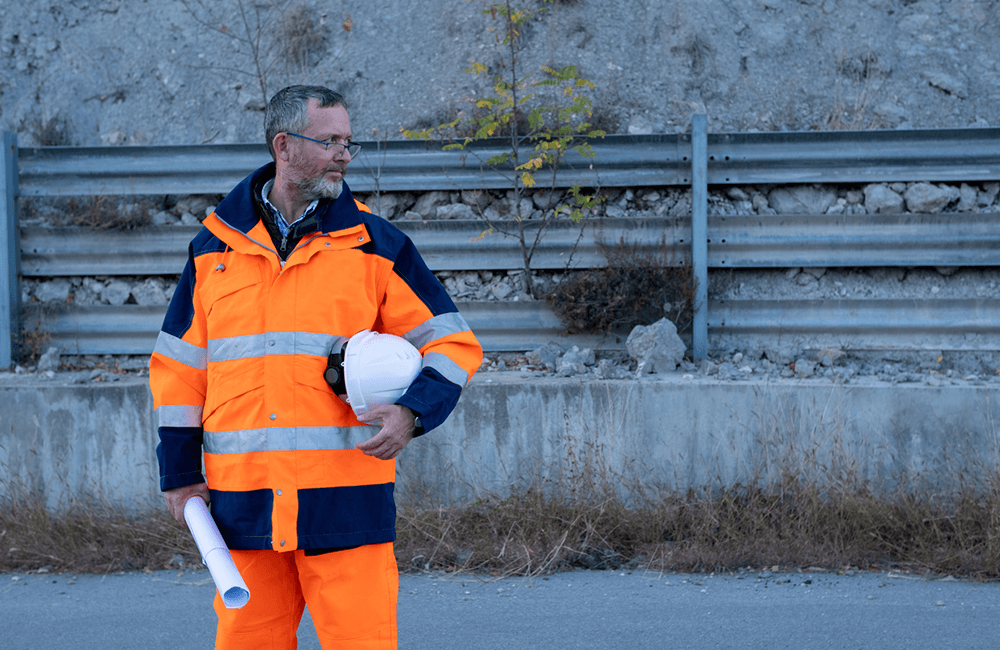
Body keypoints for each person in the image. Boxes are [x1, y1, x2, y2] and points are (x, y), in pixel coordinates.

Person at [149, 85, 483, 649]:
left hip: (346, 504)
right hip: (243, 508)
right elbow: (179, 369)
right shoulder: (213, 250)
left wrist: (412, 414)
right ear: (284, 145)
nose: (344, 155)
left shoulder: (377, 246)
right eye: (329, 141)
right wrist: (180, 476)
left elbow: (454, 346)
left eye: (348, 143)